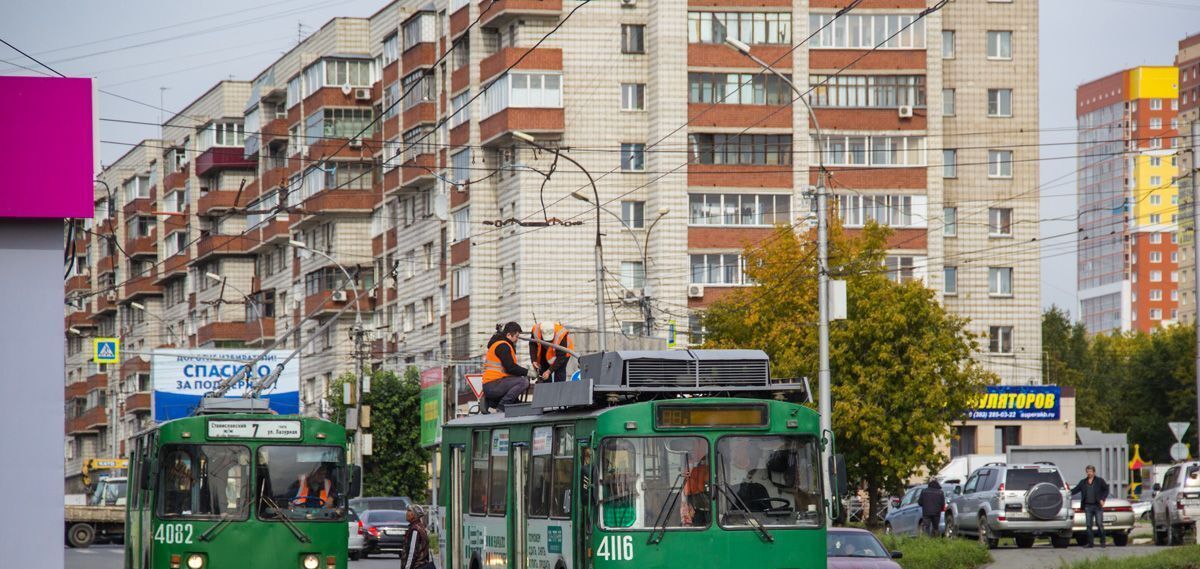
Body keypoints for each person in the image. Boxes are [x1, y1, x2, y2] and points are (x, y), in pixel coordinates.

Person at [482, 322, 533, 413]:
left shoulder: (499, 344)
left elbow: (509, 371)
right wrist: (528, 372)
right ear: (509, 334)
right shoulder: (503, 346)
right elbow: (511, 368)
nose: (517, 339)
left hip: (492, 385)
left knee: (517, 379)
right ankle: (502, 406)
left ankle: (494, 402)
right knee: (523, 382)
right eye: (516, 336)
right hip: (494, 385)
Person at [1072, 465, 1110, 548]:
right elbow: (1075, 490)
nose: (1089, 473)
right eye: (1088, 471)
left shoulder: (1099, 481)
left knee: (1099, 524)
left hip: (1097, 506)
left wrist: (1103, 499)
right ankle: (1090, 543)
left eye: (1090, 471)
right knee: (1089, 525)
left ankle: (1102, 542)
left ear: (1094, 472)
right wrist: (1067, 492)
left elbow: (1106, 489)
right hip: (1087, 506)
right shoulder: (1083, 482)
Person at [680, 439, 711, 526]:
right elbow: (685, 491)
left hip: (709, 506)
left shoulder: (709, 469)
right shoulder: (689, 471)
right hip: (695, 506)